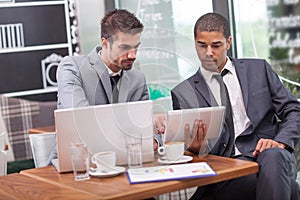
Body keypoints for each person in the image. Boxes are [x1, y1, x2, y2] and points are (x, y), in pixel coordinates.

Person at [171, 12, 300, 200]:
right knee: (290, 189)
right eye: (202, 45)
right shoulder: (183, 93)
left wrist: (279, 142)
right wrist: (195, 148)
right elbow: (187, 152)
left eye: (216, 45)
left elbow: (293, 110)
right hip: (229, 165)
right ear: (195, 43)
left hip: (270, 154)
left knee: (274, 157)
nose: (208, 52)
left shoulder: (259, 69)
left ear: (228, 42)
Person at [47, 9, 163, 165]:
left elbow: (144, 129)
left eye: (136, 47)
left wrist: (154, 140)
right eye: (125, 48)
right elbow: (82, 121)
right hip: (77, 166)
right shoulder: (73, 68)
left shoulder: (137, 79)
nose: (133, 55)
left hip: (123, 165)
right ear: (105, 43)